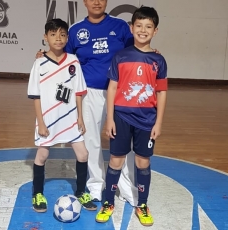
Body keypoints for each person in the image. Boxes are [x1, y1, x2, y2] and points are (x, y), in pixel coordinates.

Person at [37, 0, 138, 205]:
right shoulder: (75, 30)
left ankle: (127, 187)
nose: (97, 2)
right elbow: (64, 56)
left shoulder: (119, 26)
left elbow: (135, 51)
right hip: (87, 93)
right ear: (84, 2)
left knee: (123, 141)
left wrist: (152, 52)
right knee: (91, 139)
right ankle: (95, 185)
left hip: (118, 92)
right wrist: (43, 56)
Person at [95, 6, 167, 226]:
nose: (143, 30)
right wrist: (110, 118)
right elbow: (112, 88)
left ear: (155, 31)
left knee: (142, 162)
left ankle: (142, 204)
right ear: (131, 28)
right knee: (115, 160)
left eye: (148, 27)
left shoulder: (159, 60)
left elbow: (161, 92)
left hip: (147, 120)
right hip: (121, 118)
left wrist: (159, 122)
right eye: (139, 26)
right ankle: (108, 203)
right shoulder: (120, 56)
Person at [27, 18, 97, 213]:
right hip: (48, 120)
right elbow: (36, 96)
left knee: (83, 154)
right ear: (45, 37)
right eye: (53, 34)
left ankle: (82, 191)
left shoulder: (73, 61)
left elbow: (78, 92)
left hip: (70, 118)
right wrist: (40, 123)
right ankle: (37, 193)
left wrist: (80, 117)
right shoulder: (39, 63)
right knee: (42, 155)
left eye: (62, 34)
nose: (58, 38)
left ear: (67, 37)